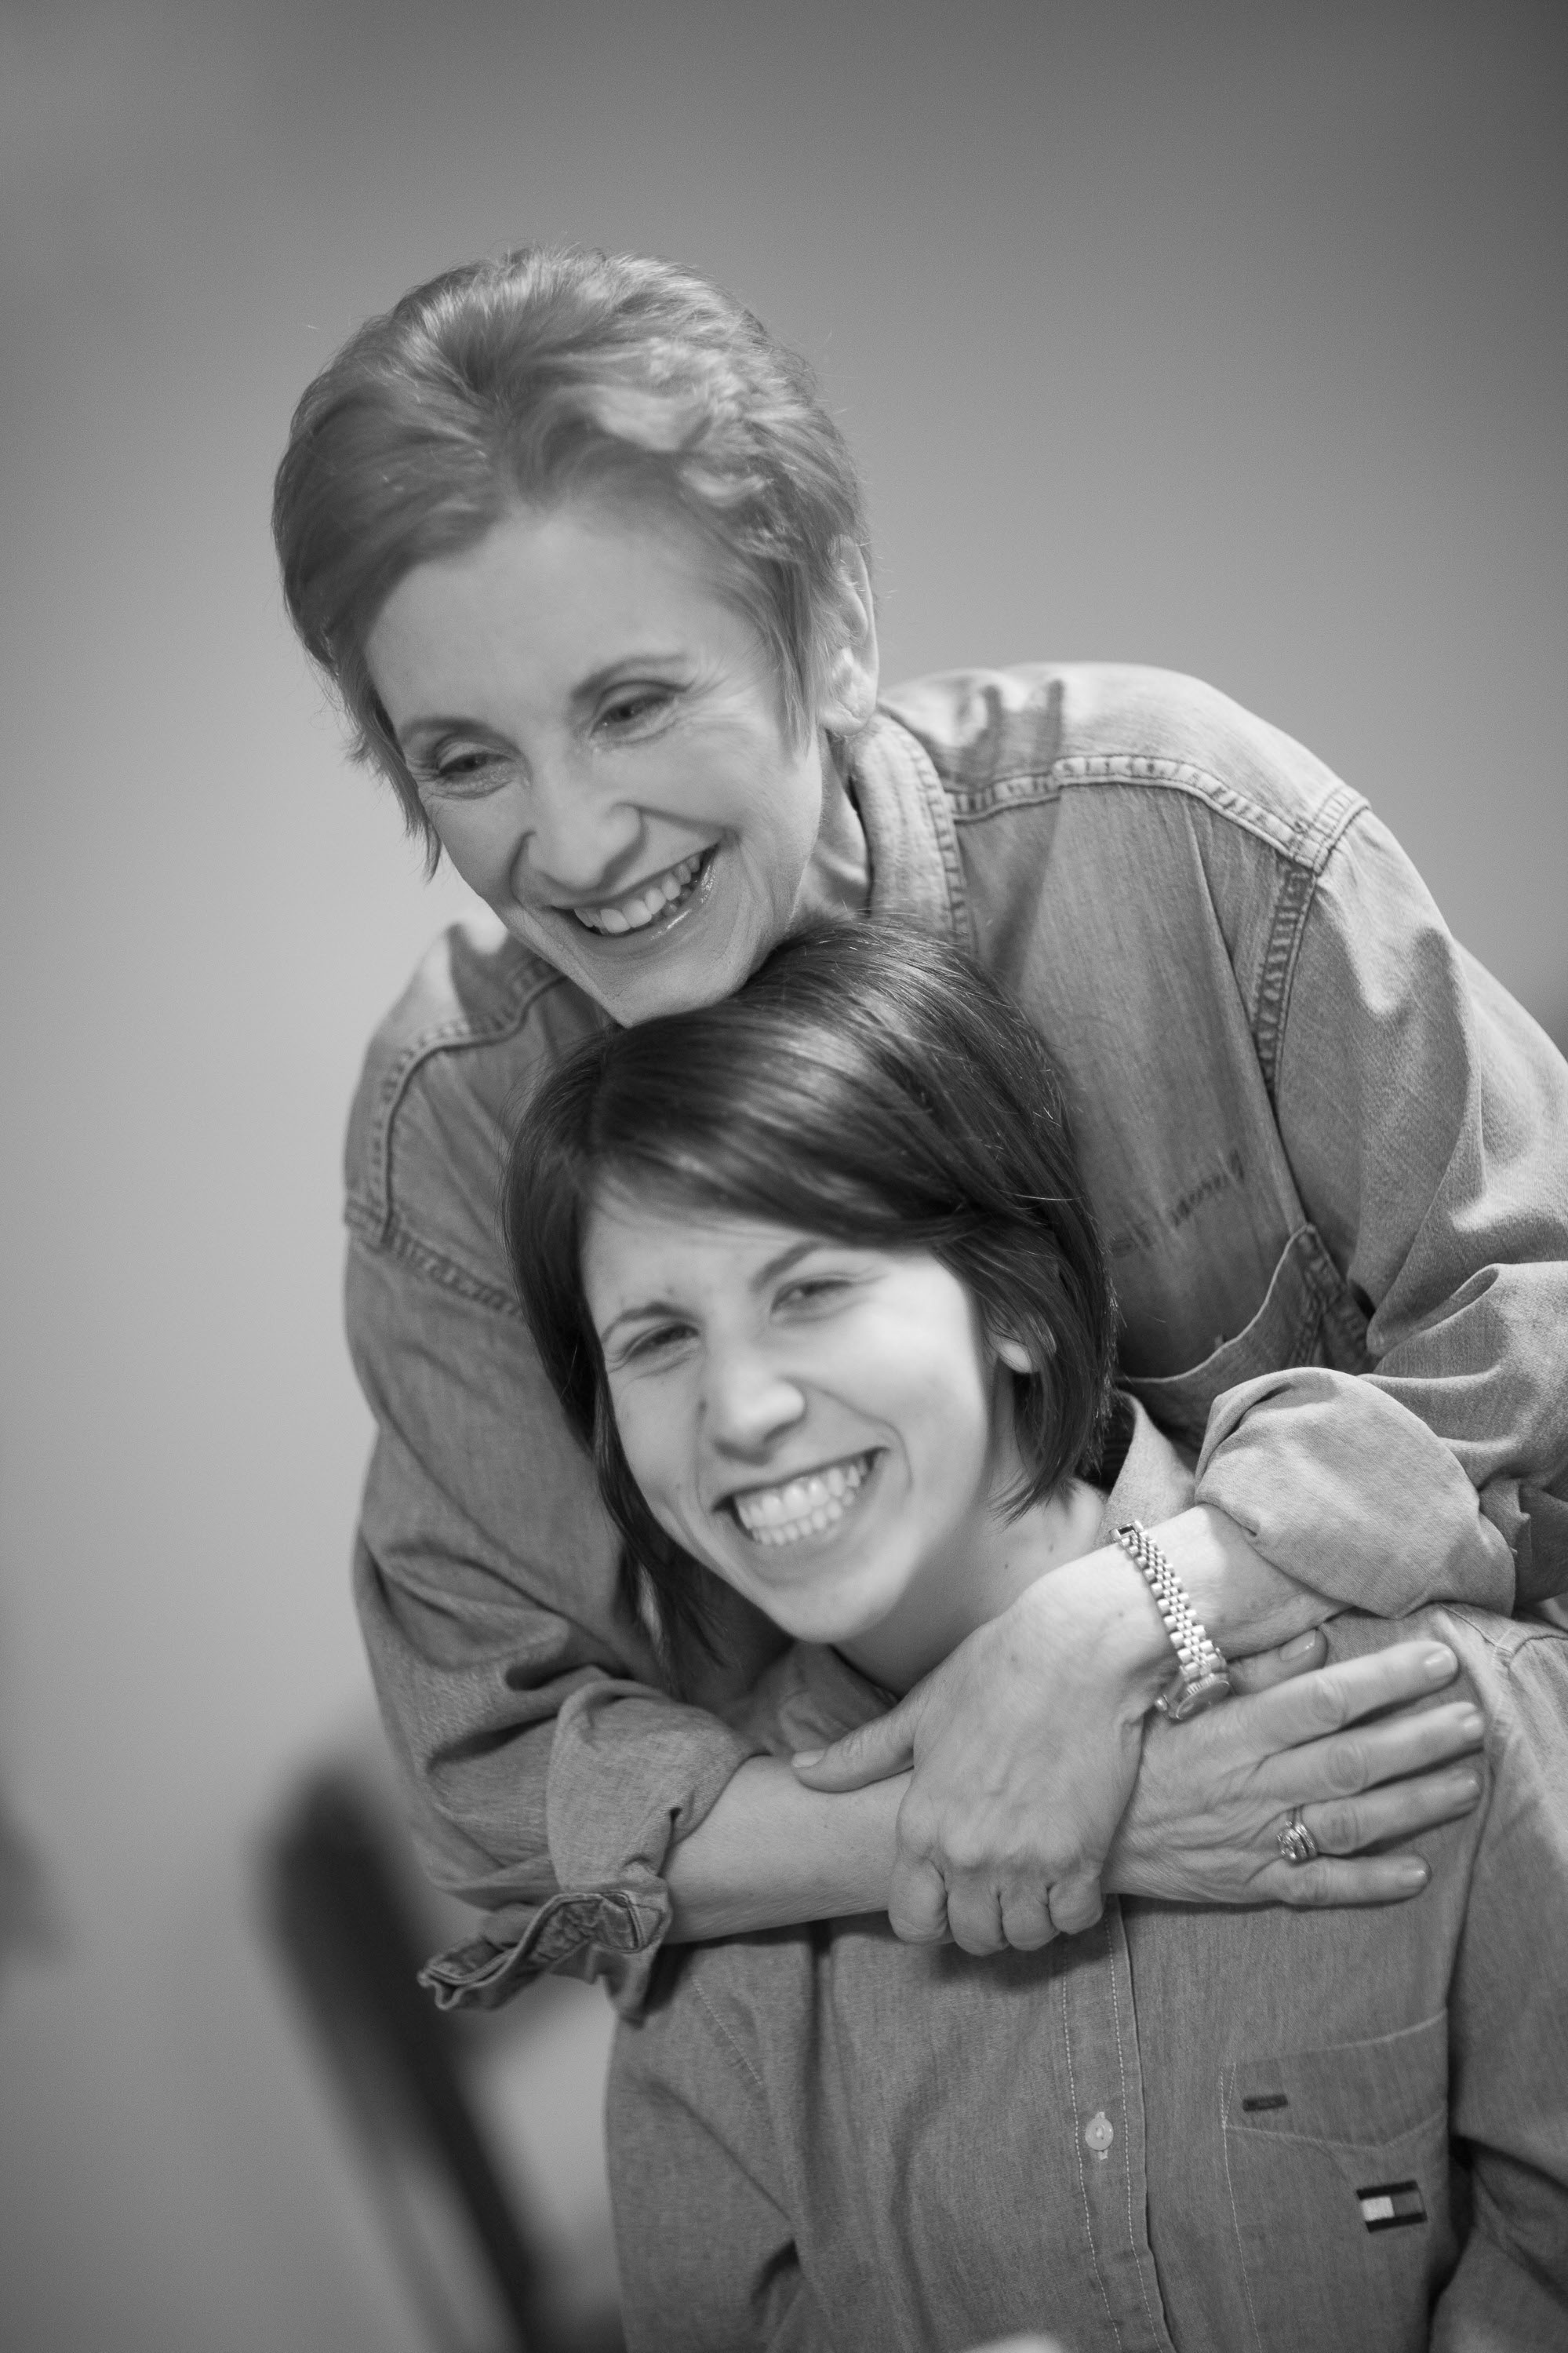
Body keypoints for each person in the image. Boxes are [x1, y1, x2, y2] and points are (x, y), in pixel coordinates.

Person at [271, 245, 1568, 2004]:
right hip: (956, 2055)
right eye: (468, 762)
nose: (569, 849)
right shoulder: (451, 1123)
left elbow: (1539, 1320)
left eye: (631, 706)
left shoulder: (1180, 831)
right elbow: (498, 1778)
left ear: (836, 637)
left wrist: (1115, 1629)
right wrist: (1037, 1814)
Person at [507, 920, 1568, 2353]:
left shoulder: (1440, 1715)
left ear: (1010, 1305)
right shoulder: (723, 1944)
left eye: (811, 1289)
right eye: (656, 1340)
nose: (743, 1410)